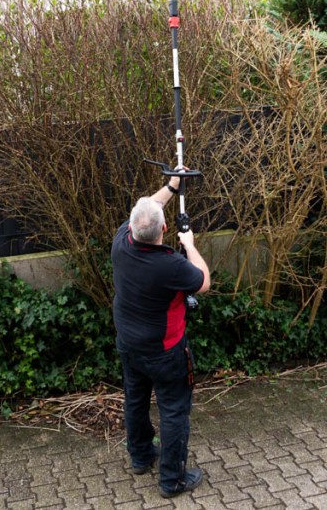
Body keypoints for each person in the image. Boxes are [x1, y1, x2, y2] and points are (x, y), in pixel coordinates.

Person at [111, 170, 211, 499]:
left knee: (136, 400)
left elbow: (148, 208)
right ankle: (172, 480)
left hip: (129, 344)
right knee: (173, 411)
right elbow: (203, 281)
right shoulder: (170, 266)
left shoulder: (121, 241)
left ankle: (140, 457)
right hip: (165, 352)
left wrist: (171, 186)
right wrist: (190, 245)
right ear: (165, 230)